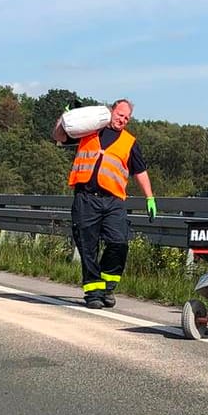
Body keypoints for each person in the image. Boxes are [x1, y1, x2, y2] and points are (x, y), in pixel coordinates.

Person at [52, 99, 156, 308]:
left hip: (113, 201)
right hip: (86, 198)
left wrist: (150, 197)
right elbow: (59, 136)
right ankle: (93, 293)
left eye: (127, 118)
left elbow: (140, 171)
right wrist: (65, 118)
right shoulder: (89, 131)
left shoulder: (129, 142)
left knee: (119, 242)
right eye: (120, 115)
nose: (123, 120)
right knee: (87, 246)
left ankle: (107, 287)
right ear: (110, 111)